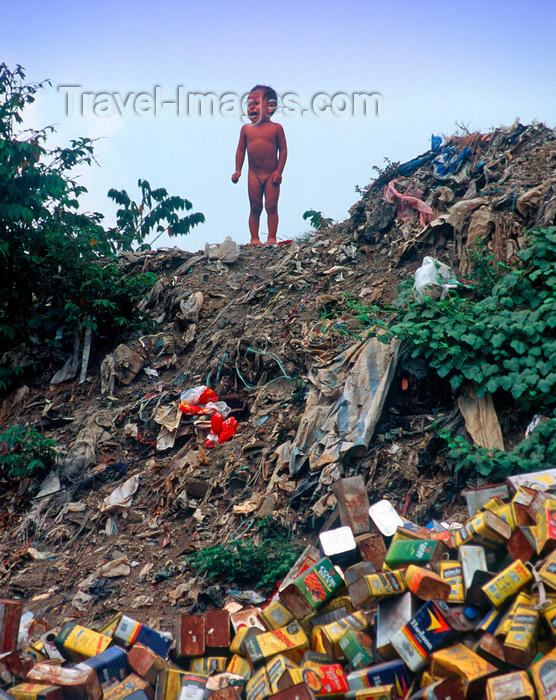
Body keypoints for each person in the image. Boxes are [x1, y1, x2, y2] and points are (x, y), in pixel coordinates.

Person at [231, 85, 287, 245]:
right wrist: (237, 170)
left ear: (270, 107)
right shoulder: (246, 129)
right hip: (253, 175)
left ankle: (271, 237)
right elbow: (240, 151)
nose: (251, 108)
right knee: (255, 207)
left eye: (256, 103)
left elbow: (283, 151)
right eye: (249, 105)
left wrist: (279, 171)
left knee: (271, 206)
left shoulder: (276, 128)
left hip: (271, 175)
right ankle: (254, 238)